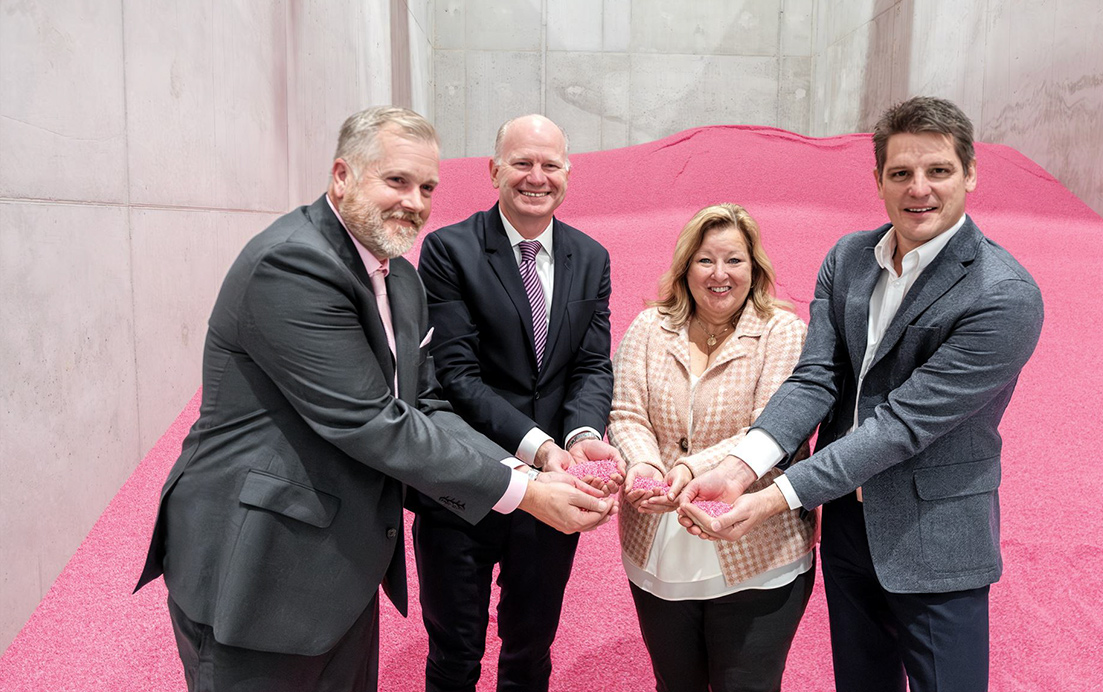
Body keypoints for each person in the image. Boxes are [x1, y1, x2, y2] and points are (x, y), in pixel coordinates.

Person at [134, 106, 614, 692]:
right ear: (342, 176)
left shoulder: (398, 278)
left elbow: (428, 402)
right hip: (258, 562)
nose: (414, 201)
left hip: (343, 563)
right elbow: (371, 420)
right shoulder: (293, 261)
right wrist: (526, 492)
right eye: (396, 181)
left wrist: (527, 463)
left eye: (427, 186)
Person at [678, 97, 1046, 692]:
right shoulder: (848, 259)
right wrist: (743, 467)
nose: (918, 189)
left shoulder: (1003, 295)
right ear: (878, 180)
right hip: (849, 532)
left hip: (937, 538)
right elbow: (815, 378)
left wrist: (772, 500)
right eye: (900, 173)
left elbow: (901, 425)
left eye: (939, 170)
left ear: (971, 173)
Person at [409, 114, 622, 692]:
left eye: (550, 164)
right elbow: (456, 376)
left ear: (568, 174)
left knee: (530, 651)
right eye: (522, 163)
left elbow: (592, 364)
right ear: (494, 170)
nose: (536, 176)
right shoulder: (449, 250)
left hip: (556, 494)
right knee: (455, 653)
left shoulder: (592, 257)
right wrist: (542, 448)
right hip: (465, 484)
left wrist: (579, 437)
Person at [608, 203, 817, 692]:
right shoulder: (647, 327)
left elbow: (769, 430)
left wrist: (683, 469)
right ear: (685, 267)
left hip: (757, 549)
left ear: (755, 268)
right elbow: (626, 414)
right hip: (656, 539)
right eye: (705, 260)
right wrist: (643, 469)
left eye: (734, 260)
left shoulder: (783, 332)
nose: (719, 274)